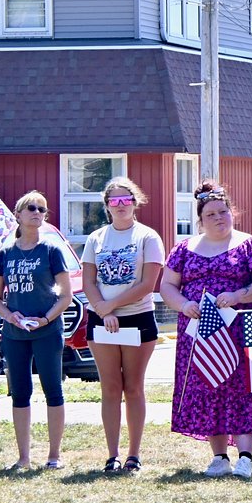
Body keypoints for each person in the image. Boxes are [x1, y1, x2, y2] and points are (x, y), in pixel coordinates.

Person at [161, 182, 252, 478]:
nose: (219, 217)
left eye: (223, 211)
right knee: (208, 386)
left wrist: (239, 296)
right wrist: (184, 304)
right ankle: (219, 457)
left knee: (244, 389)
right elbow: (166, 286)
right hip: (198, 331)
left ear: (233, 213)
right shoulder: (183, 249)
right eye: (211, 214)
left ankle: (245, 457)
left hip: (244, 327)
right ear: (200, 219)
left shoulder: (251, 245)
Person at [80, 176, 165, 472]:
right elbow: (88, 280)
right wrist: (103, 312)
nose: (120, 205)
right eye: (113, 201)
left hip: (137, 319)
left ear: (135, 203)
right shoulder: (96, 238)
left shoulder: (148, 237)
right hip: (101, 321)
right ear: (106, 206)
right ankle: (112, 454)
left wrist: (111, 306)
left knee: (133, 388)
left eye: (125, 200)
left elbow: (147, 284)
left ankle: (133, 454)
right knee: (110, 387)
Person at [0, 192, 73, 471]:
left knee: (53, 390)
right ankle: (24, 457)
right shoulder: (6, 254)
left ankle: (54, 455)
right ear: (19, 214)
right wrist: (9, 315)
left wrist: (46, 320)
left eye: (42, 209)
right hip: (15, 335)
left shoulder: (52, 251)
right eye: (31, 208)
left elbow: (65, 296)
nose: (37, 212)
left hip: (47, 332)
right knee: (20, 393)